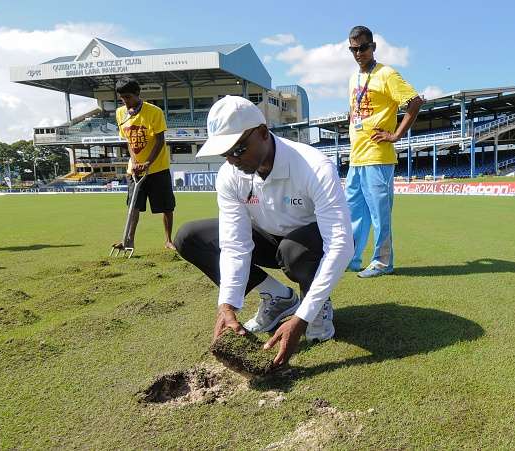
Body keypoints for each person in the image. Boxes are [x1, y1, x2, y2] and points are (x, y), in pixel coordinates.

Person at [174, 96, 353, 367]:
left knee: (293, 252)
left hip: (309, 243)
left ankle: (316, 307)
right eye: (226, 153)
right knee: (189, 237)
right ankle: (279, 298)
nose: (232, 160)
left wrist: (303, 317)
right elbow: (235, 244)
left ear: (262, 132)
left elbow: (340, 245)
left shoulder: (314, 167)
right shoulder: (230, 174)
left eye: (239, 149)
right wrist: (228, 305)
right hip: (269, 238)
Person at [345, 25, 424, 278]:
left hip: (378, 157)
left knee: (380, 214)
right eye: (354, 49)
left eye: (363, 48)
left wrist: (396, 135)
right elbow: (355, 111)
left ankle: (382, 261)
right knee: (353, 214)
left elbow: (415, 101)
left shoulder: (387, 74)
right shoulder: (352, 78)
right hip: (356, 157)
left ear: (373, 47)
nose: (359, 53)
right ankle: (352, 258)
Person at [113, 76, 176, 251]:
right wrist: (135, 161)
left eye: (128, 97)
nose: (126, 102)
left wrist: (148, 162)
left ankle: (168, 240)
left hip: (158, 168)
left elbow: (160, 140)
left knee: (166, 207)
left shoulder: (154, 112)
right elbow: (128, 141)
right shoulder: (120, 113)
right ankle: (128, 241)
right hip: (135, 169)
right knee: (133, 206)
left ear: (137, 94)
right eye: (122, 98)